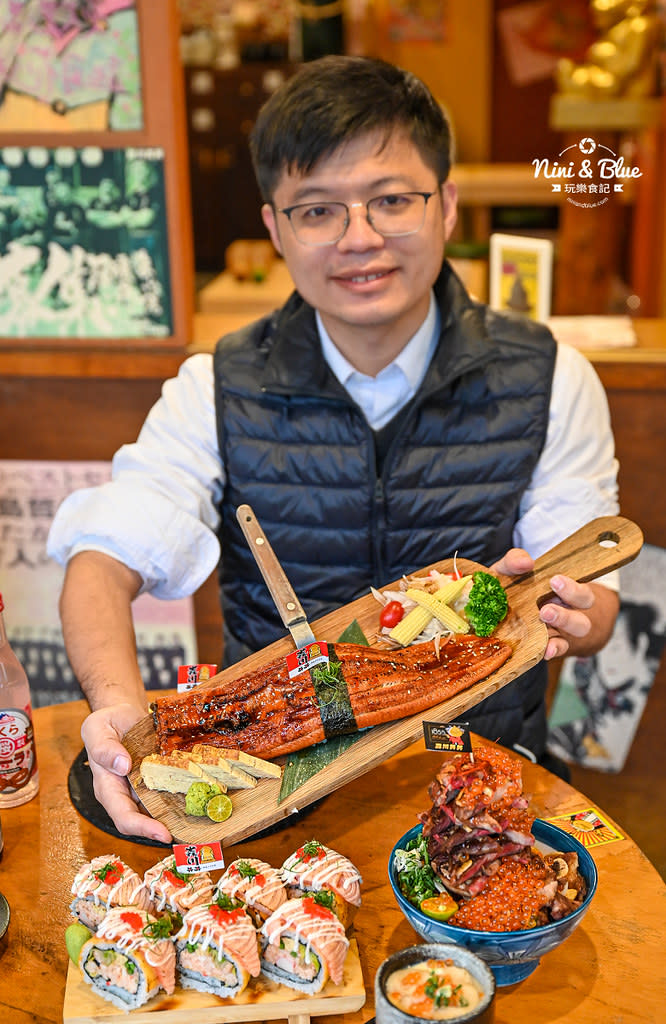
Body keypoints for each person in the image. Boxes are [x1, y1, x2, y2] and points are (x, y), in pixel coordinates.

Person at [47, 56, 619, 844]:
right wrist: (116, 705)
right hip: (273, 794)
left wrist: (577, 614)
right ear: (275, 227)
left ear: (447, 205)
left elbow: (595, 598)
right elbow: (102, 561)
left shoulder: (552, 377)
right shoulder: (216, 386)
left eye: (391, 200)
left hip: (474, 778)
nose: (360, 238)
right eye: (317, 210)